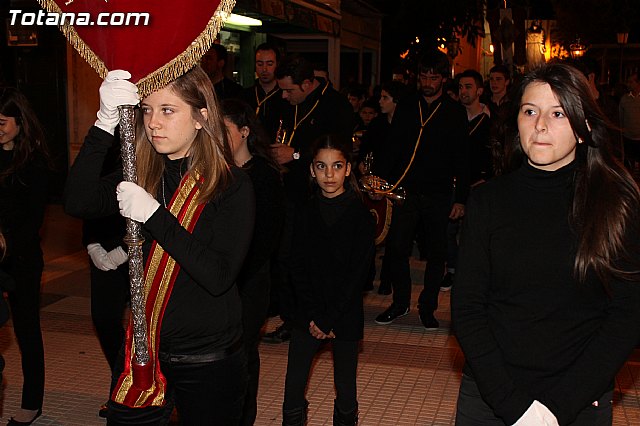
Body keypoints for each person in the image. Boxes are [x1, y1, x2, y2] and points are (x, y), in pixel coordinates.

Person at [64, 66, 255, 424]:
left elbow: (217, 276)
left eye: (168, 110)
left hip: (208, 360)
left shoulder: (232, 185)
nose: (153, 123)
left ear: (201, 117)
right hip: (143, 351)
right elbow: (78, 201)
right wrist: (104, 123)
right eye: (147, 109)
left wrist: (154, 215)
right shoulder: (141, 173)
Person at [452, 63, 640, 426]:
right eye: (530, 111)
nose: (540, 125)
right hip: (491, 396)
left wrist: (557, 408)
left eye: (557, 113)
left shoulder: (615, 205)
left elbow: (626, 316)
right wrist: (514, 406)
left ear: (583, 128)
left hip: (579, 398)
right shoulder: (488, 201)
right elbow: (468, 308)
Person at [282, 134, 374, 426]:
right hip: (307, 312)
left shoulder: (361, 215)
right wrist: (314, 315)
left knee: (346, 386)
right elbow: (295, 264)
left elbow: (358, 275)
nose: (329, 174)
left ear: (348, 169)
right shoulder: (304, 211)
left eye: (337, 166)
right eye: (321, 167)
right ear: (312, 170)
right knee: (293, 385)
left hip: (343, 312)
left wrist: (329, 318)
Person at [374, 50, 469, 330]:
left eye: (434, 77)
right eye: (424, 76)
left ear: (443, 79)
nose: (428, 81)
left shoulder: (454, 112)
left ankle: (428, 308)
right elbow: (392, 147)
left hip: (439, 193)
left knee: (436, 253)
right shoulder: (406, 105)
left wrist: (461, 198)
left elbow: (463, 158)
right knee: (396, 247)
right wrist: (379, 182)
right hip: (406, 191)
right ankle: (400, 303)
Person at [263, 54, 353, 344]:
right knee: (287, 259)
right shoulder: (283, 103)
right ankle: (293, 319)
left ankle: (324, 317)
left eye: (290, 90)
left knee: (321, 261)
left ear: (308, 83)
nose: (285, 96)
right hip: (289, 194)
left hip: (322, 198)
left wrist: (297, 155)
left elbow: (337, 152)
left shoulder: (335, 106)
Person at [220, 98, 285, 426]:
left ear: (245, 132)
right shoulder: (213, 168)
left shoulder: (263, 175)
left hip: (249, 279)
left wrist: (234, 270)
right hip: (217, 277)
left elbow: (267, 237)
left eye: (225, 129)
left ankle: (244, 417)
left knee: (244, 350)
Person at [0, 87, 51, 425]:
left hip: (21, 258)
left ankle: (32, 402)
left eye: (2, 122)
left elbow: (33, 220)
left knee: (26, 330)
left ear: (19, 123)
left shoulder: (35, 162)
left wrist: (4, 240)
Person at [241, 43, 288, 141]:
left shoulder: (286, 96)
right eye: (260, 64)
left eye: (270, 64)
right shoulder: (244, 95)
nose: (264, 69)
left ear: (277, 64)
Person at [619, 71, 640, 173]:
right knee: (628, 165)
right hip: (628, 137)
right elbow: (620, 117)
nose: (629, 84)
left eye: (631, 82)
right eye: (628, 82)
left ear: (638, 83)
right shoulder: (624, 99)